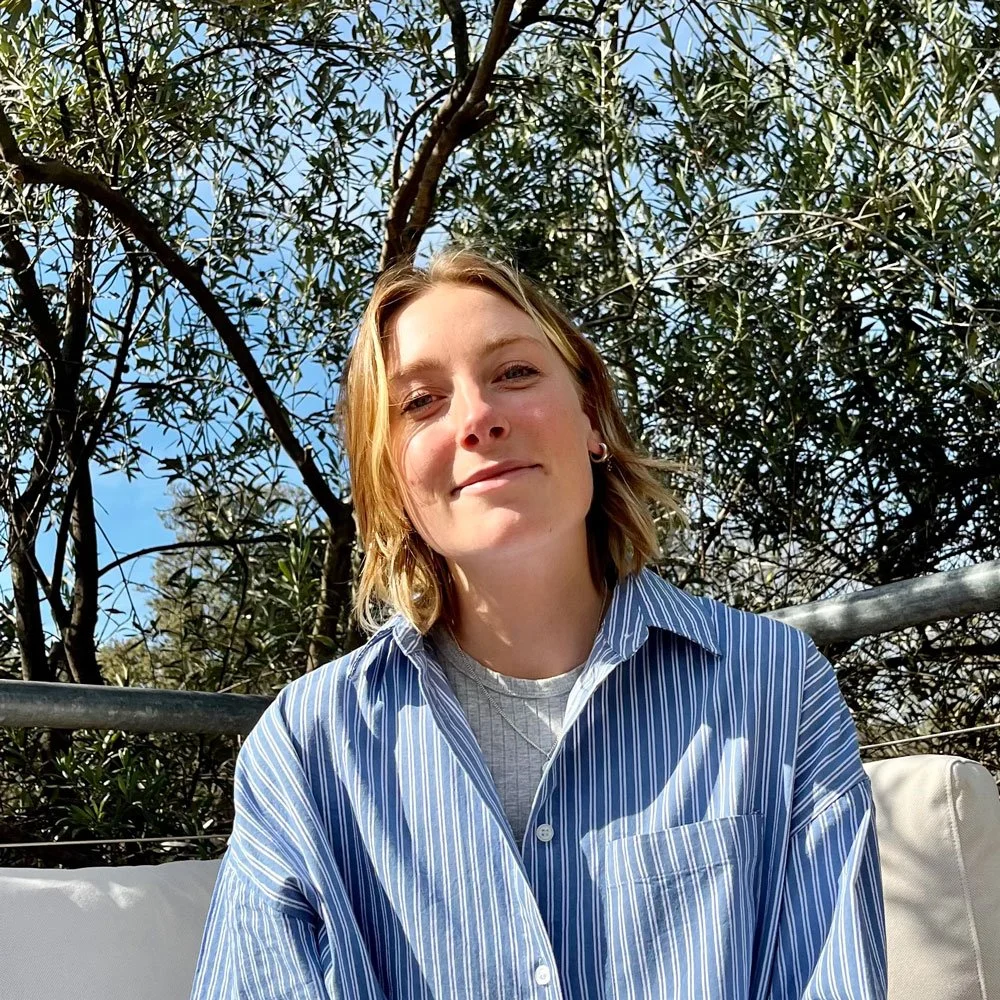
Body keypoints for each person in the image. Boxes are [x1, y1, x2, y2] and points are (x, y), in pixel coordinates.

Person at [190, 248, 887, 1000]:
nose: (477, 419)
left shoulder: (775, 685)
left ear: (591, 416)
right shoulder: (306, 747)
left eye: (515, 373)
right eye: (420, 402)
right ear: (389, 475)